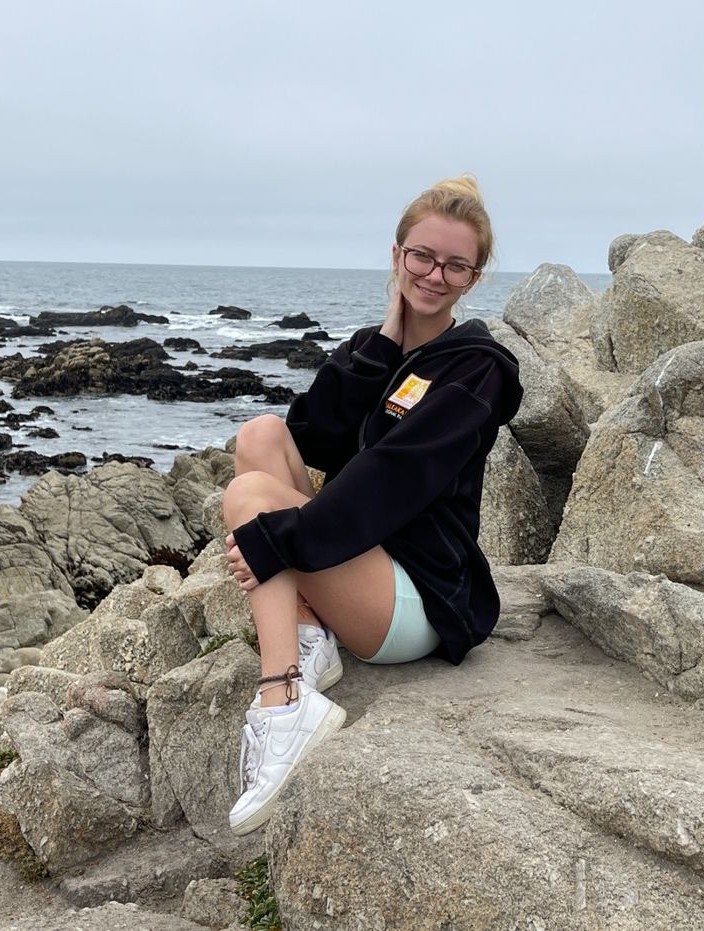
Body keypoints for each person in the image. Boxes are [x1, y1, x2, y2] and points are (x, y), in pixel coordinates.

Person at [221, 175, 523, 835]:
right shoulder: (371, 346)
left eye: (455, 265)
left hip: (416, 597)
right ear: (397, 255)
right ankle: (310, 637)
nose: (434, 275)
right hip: (366, 564)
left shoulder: (477, 368)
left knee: (250, 498)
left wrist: (281, 540)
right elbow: (315, 437)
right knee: (260, 435)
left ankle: (284, 701)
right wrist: (382, 347)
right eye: (422, 256)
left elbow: (392, 477)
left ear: (473, 278)